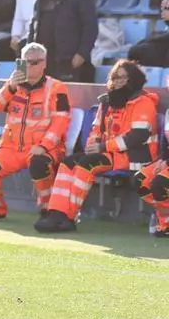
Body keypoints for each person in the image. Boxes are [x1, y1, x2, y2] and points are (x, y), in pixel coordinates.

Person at [37, 60, 158, 233]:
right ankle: (56, 214)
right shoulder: (106, 102)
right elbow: (96, 130)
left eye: (123, 77)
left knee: (86, 164)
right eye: (115, 77)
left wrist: (103, 147)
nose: (118, 81)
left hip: (133, 157)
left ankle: (69, 218)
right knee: (68, 163)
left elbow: (137, 136)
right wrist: (93, 144)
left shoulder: (143, 102)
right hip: (109, 153)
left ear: (134, 79)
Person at [0, 42, 71, 222]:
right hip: (11, 147)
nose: (30, 65)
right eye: (26, 62)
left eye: (35, 62)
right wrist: (10, 86)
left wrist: (44, 146)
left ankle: (48, 209)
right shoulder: (13, 85)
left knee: (39, 164)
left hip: (44, 147)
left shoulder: (56, 87)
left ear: (44, 63)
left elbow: (61, 122)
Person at [28, 0, 98, 83]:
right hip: (43, 61)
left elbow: (90, 27)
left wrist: (81, 55)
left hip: (68, 62)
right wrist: (29, 54)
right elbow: (34, 25)